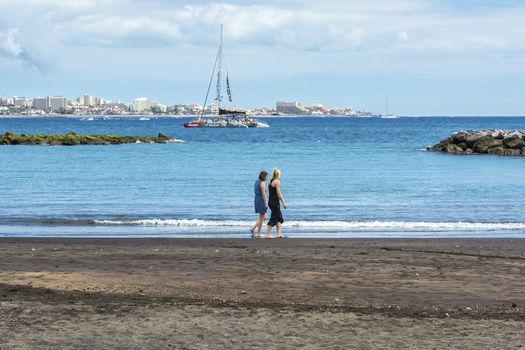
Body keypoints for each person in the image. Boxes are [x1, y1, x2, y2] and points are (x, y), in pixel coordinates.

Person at [266, 168, 288, 239]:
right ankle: (268, 233)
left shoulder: (270, 181)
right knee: (274, 217)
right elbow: (279, 193)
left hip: (271, 201)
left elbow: (270, 192)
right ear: (278, 174)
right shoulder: (277, 181)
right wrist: (284, 202)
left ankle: (279, 234)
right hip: (275, 202)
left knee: (278, 217)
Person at [250, 171, 268, 238]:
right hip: (261, 200)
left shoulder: (256, 182)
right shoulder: (262, 183)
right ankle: (259, 233)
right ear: (263, 176)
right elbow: (263, 194)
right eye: (266, 176)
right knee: (261, 217)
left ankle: (253, 229)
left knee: (264, 217)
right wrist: (266, 203)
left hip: (257, 199)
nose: (267, 178)